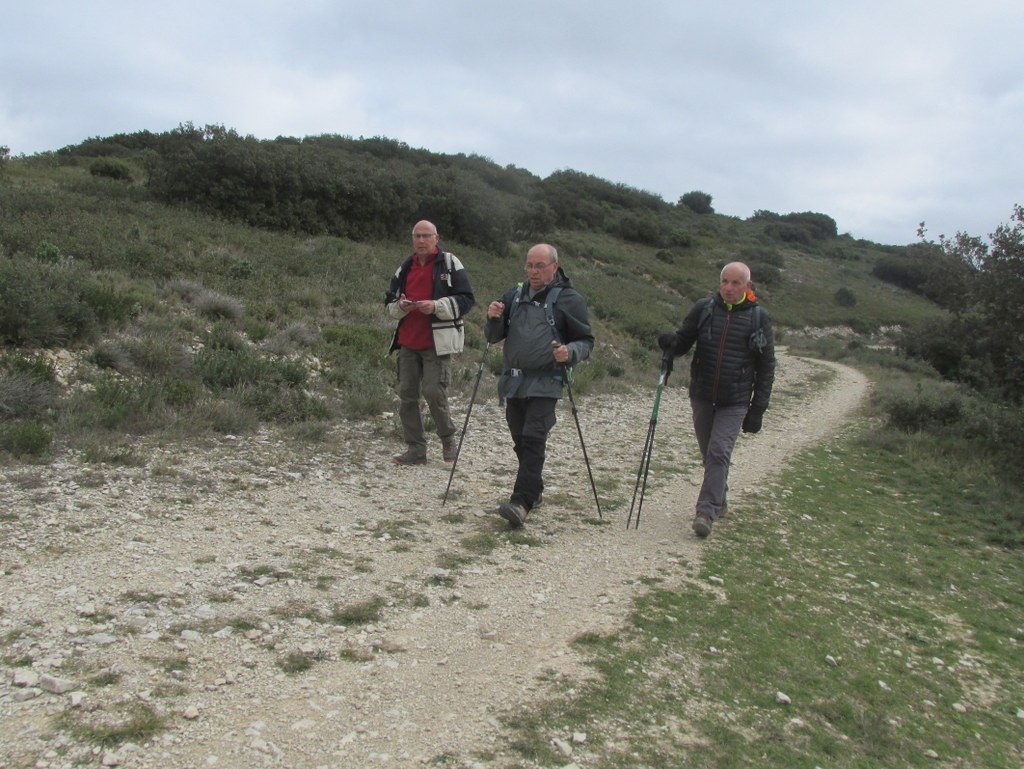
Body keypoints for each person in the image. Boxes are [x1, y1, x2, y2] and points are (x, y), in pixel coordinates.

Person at [657, 261, 775, 538]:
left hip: (735, 399)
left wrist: (757, 409)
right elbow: (684, 342)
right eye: (725, 282)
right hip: (702, 394)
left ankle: (705, 512)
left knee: (718, 452)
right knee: (709, 452)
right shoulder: (704, 308)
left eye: (736, 283)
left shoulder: (759, 317)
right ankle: (719, 499)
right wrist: (671, 343)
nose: (729, 288)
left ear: (747, 286)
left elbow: (767, 366)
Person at [485, 244, 595, 527]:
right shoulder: (515, 294)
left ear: (554, 267)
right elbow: (494, 336)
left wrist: (569, 352)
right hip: (514, 381)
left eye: (540, 266)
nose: (533, 271)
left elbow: (586, 341)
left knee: (534, 436)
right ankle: (535, 488)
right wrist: (493, 317)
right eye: (529, 265)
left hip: (547, 381)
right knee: (520, 438)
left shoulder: (569, 300)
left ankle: (521, 502)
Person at [385, 220, 475, 466]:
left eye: (426, 236)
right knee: (407, 395)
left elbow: (467, 299)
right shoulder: (405, 267)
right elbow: (389, 301)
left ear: (437, 238)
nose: (421, 240)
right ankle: (416, 449)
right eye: (417, 236)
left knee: (434, 392)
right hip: (407, 342)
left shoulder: (449, 263)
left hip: (437, 343)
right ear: (412, 239)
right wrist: (400, 306)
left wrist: (436, 306)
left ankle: (447, 439)